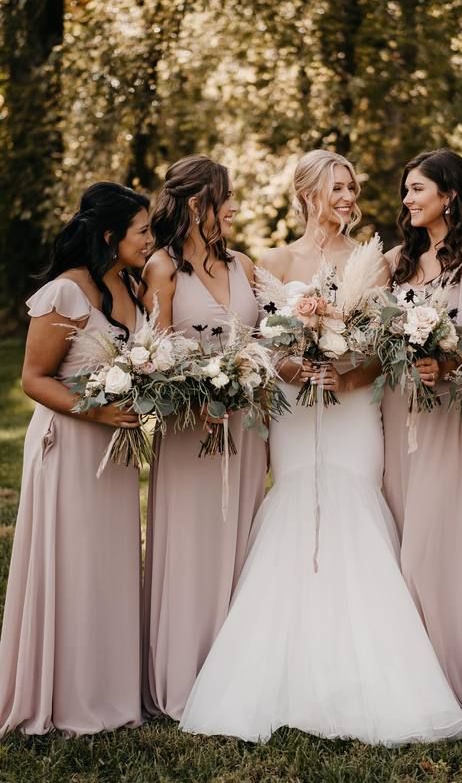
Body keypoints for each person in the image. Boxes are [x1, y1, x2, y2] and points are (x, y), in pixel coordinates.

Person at [179, 149, 462, 745]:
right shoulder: (272, 261)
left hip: (355, 409)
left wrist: (348, 375)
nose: (347, 197)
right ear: (308, 191)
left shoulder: (378, 261)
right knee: (295, 500)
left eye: (352, 187)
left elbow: (382, 348)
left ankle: (377, 669)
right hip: (293, 410)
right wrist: (293, 366)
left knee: (356, 501)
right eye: (336, 187)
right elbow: (261, 345)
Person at [0, 182, 150, 736]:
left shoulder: (130, 285)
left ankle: (110, 692)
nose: (149, 239)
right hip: (70, 443)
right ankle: (65, 695)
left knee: (108, 565)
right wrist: (98, 414)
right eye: (142, 230)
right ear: (111, 235)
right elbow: (33, 379)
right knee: (73, 563)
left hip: (115, 452)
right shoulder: (67, 292)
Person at [382, 149, 462, 734]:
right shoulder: (399, 259)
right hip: (392, 413)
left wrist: (448, 364)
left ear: (449, 195)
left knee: (434, 543)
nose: (408, 200)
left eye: (416, 190)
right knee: (398, 533)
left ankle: (451, 673)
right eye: (406, 191)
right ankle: (401, 669)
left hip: (442, 419)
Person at [141, 155, 266, 720]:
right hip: (191, 429)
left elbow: (265, 338)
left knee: (240, 538)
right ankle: (183, 674)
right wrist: (196, 395)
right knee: (192, 544)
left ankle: (235, 670)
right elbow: (155, 354)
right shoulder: (162, 267)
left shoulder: (242, 264)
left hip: (244, 425)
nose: (235, 207)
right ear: (198, 205)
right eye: (227, 197)